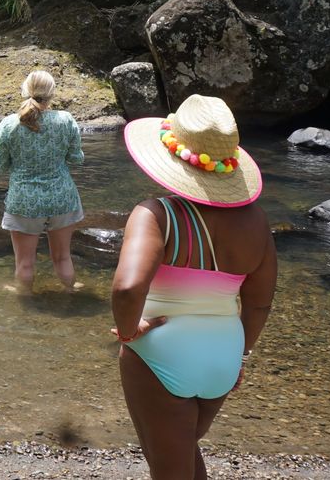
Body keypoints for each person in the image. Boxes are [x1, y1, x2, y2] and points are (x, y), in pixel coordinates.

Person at [111, 94, 277, 480]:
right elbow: (259, 304)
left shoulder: (156, 214)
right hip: (224, 353)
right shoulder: (257, 222)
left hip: (163, 352)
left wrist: (129, 330)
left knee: (168, 467)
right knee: (183, 451)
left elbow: (127, 289)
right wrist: (241, 354)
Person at [0, 70, 85, 294]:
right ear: (52, 93)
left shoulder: (9, 124)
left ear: (25, 91)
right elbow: (76, 159)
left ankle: (24, 296)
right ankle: (70, 291)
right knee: (63, 257)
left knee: (24, 262)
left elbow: (1, 165)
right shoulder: (65, 120)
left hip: (24, 200)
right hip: (61, 196)